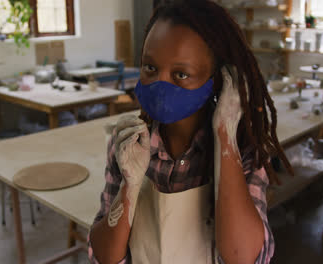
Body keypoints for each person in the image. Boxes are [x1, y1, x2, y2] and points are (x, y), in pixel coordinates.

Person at [88, 0, 291, 263]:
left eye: (181, 74)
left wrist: (225, 136)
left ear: (218, 80)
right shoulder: (130, 144)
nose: (160, 85)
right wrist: (130, 185)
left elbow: (244, 257)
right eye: (150, 67)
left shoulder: (244, 148)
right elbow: (104, 257)